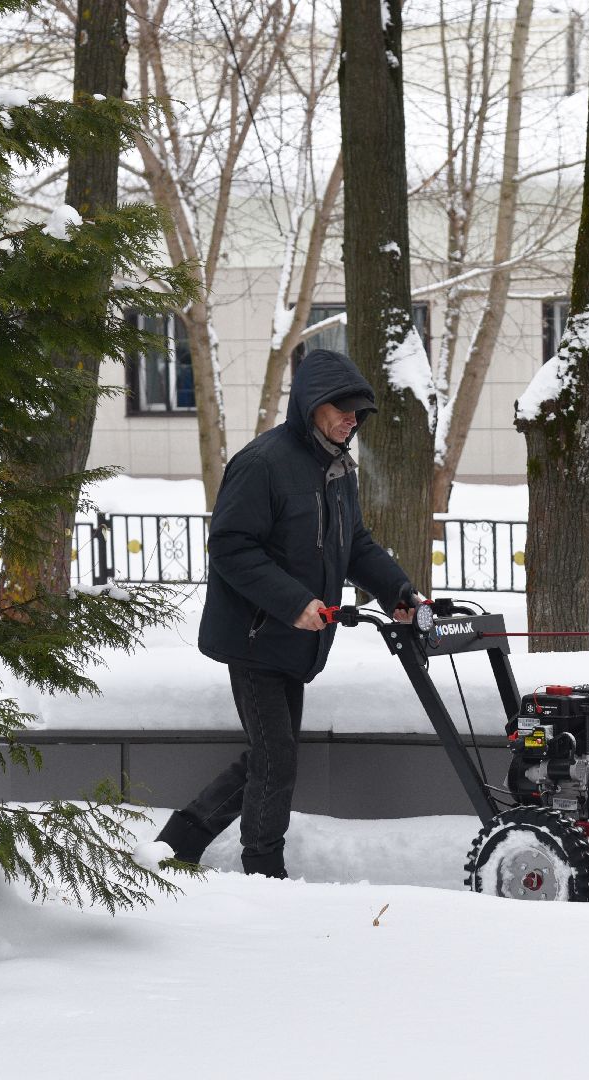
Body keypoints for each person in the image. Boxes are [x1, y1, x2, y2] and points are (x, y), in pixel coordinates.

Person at [154, 348, 419, 878]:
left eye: (359, 413)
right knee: (276, 758)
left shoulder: (339, 469)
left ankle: (180, 840)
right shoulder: (263, 463)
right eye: (343, 410)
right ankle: (264, 873)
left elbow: (356, 545)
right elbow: (231, 547)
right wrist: (293, 603)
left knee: (270, 757)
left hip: (296, 640)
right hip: (255, 637)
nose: (352, 420)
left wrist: (398, 592)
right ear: (312, 405)